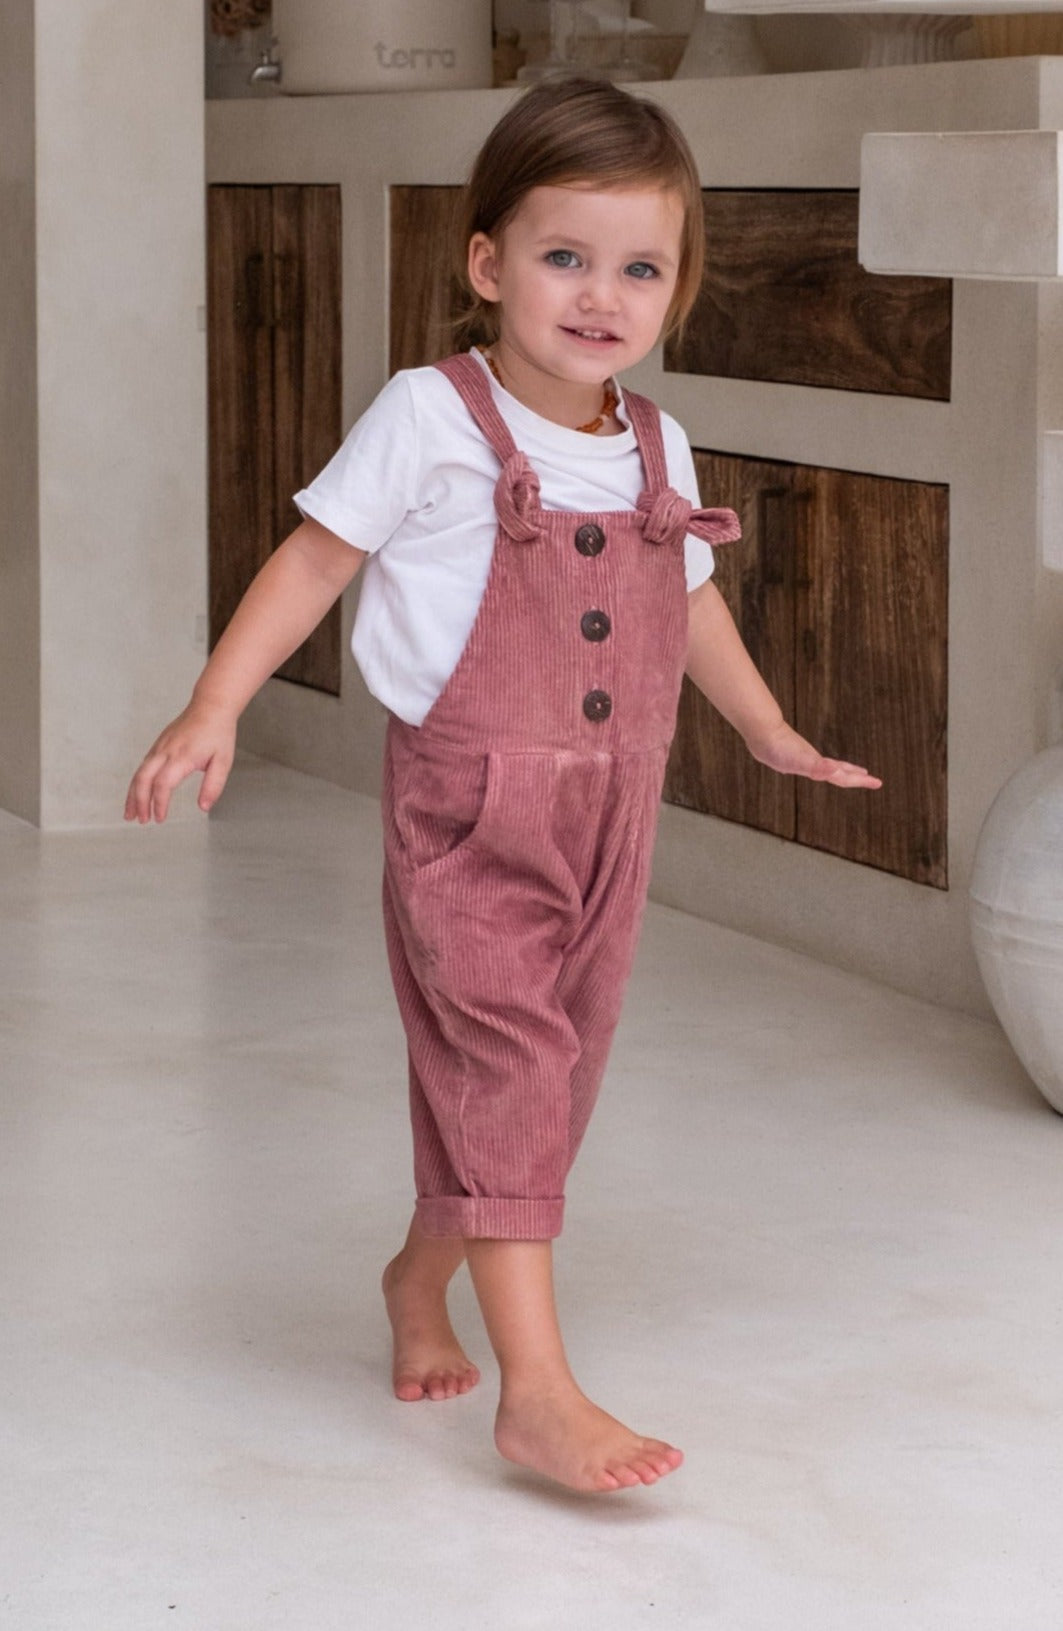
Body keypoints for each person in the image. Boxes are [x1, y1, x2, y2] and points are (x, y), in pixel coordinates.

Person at [126, 77, 880, 1495]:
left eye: (640, 267)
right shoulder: (430, 415)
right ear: (488, 266)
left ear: (679, 288)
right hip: (471, 811)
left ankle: (423, 1278)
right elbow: (315, 560)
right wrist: (214, 704)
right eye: (563, 256)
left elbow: (695, 603)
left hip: (614, 818)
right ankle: (536, 1392)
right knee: (512, 1071)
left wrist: (770, 729)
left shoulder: (653, 445)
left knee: (541, 1092)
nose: (601, 295)